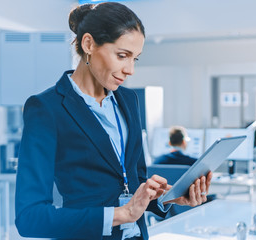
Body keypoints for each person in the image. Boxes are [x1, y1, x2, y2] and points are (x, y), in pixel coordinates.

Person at [14, 3, 212, 240]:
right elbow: (29, 218)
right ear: (88, 44)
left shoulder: (128, 100)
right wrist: (122, 214)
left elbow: (134, 184)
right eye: (122, 56)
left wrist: (168, 197)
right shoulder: (47, 108)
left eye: (135, 59)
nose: (130, 70)